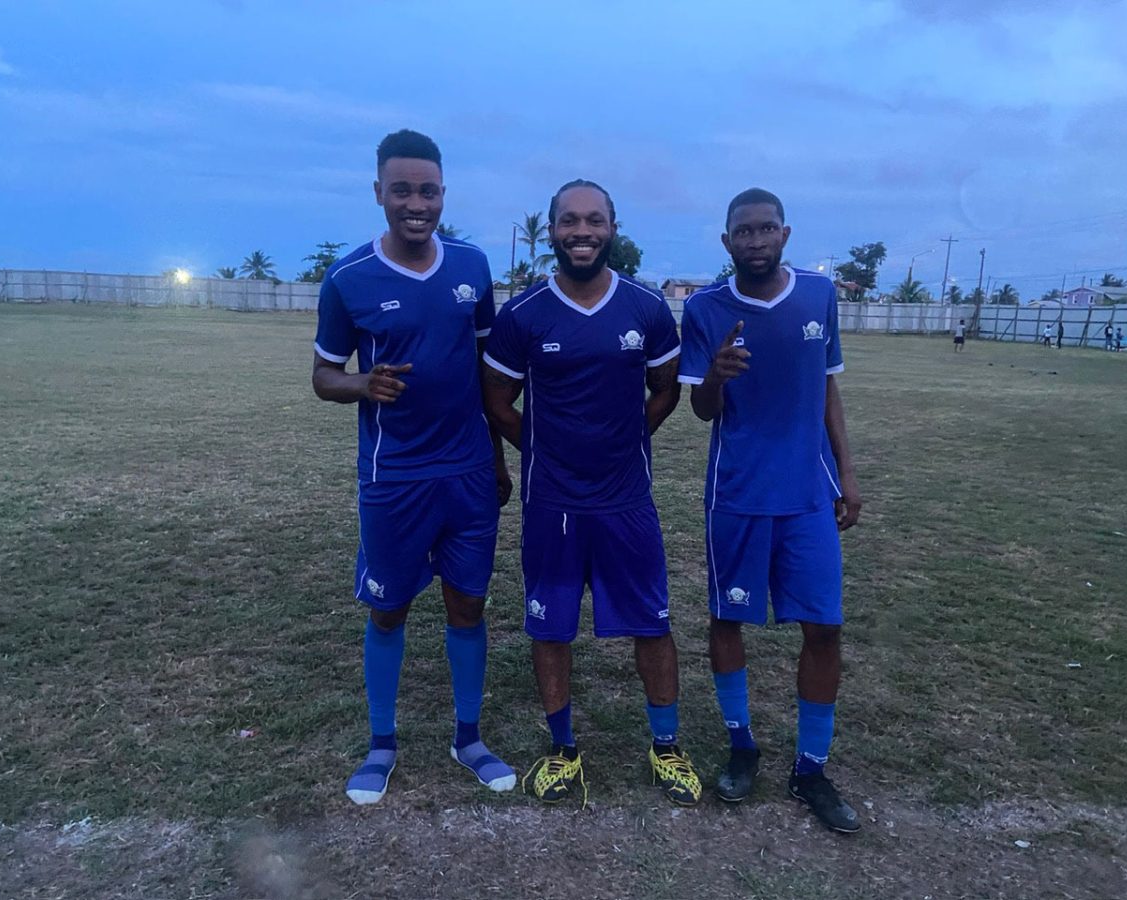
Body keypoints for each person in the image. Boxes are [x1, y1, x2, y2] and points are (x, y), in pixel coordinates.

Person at [481, 179, 701, 807]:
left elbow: (666, 388)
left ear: (613, 227)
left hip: (627, 500)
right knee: (550, 628)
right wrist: (545, 450)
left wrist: (629, 435)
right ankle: (563, 750)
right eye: (570, 221)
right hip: (553, 503)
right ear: (551, 230)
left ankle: (666, 747)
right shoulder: (522, 315)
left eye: (595, 220)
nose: (583, 231)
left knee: (651, 624)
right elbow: (496, 401)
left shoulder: (646, 308)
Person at [311, 129, 515, 805]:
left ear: (442, 194)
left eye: (428, 190)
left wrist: (495, 458)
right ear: (379, 193)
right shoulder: (349, 279)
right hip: (394, 475)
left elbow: (488, 374)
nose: (416, 202)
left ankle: (468, 737)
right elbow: (322, 375)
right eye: (402, 189)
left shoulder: (472, 266)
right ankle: (381, 745)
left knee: (468, 604)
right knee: (389, 609)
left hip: (467, 474)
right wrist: (363, 386)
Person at [677, 188, 862, 833]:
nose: (754, 241)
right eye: (742, 232)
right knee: (728, 619)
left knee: (825, 627)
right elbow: (701, 410)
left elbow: (828, 386)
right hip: (738, 493)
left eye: (765, 230)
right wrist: (719, 377)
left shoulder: (819, 294)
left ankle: (811, 766)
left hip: (808, 493)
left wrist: (847, 473)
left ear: (785, 234)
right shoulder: (704, 308)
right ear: (725, 242)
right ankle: (742, 744)